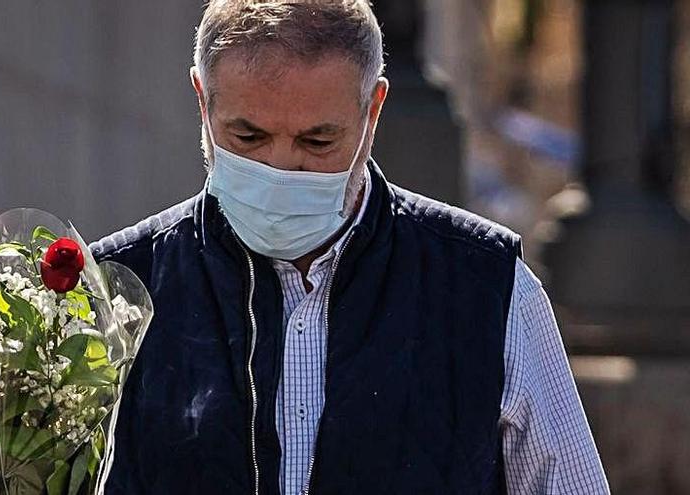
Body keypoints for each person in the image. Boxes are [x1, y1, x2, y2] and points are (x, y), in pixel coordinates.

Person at [90, 1, 609, 493]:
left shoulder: (487, 288)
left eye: (318, 142)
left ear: (372, 111)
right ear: (203, 101)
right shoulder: (114, 290)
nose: (281, 167)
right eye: (247, 138)